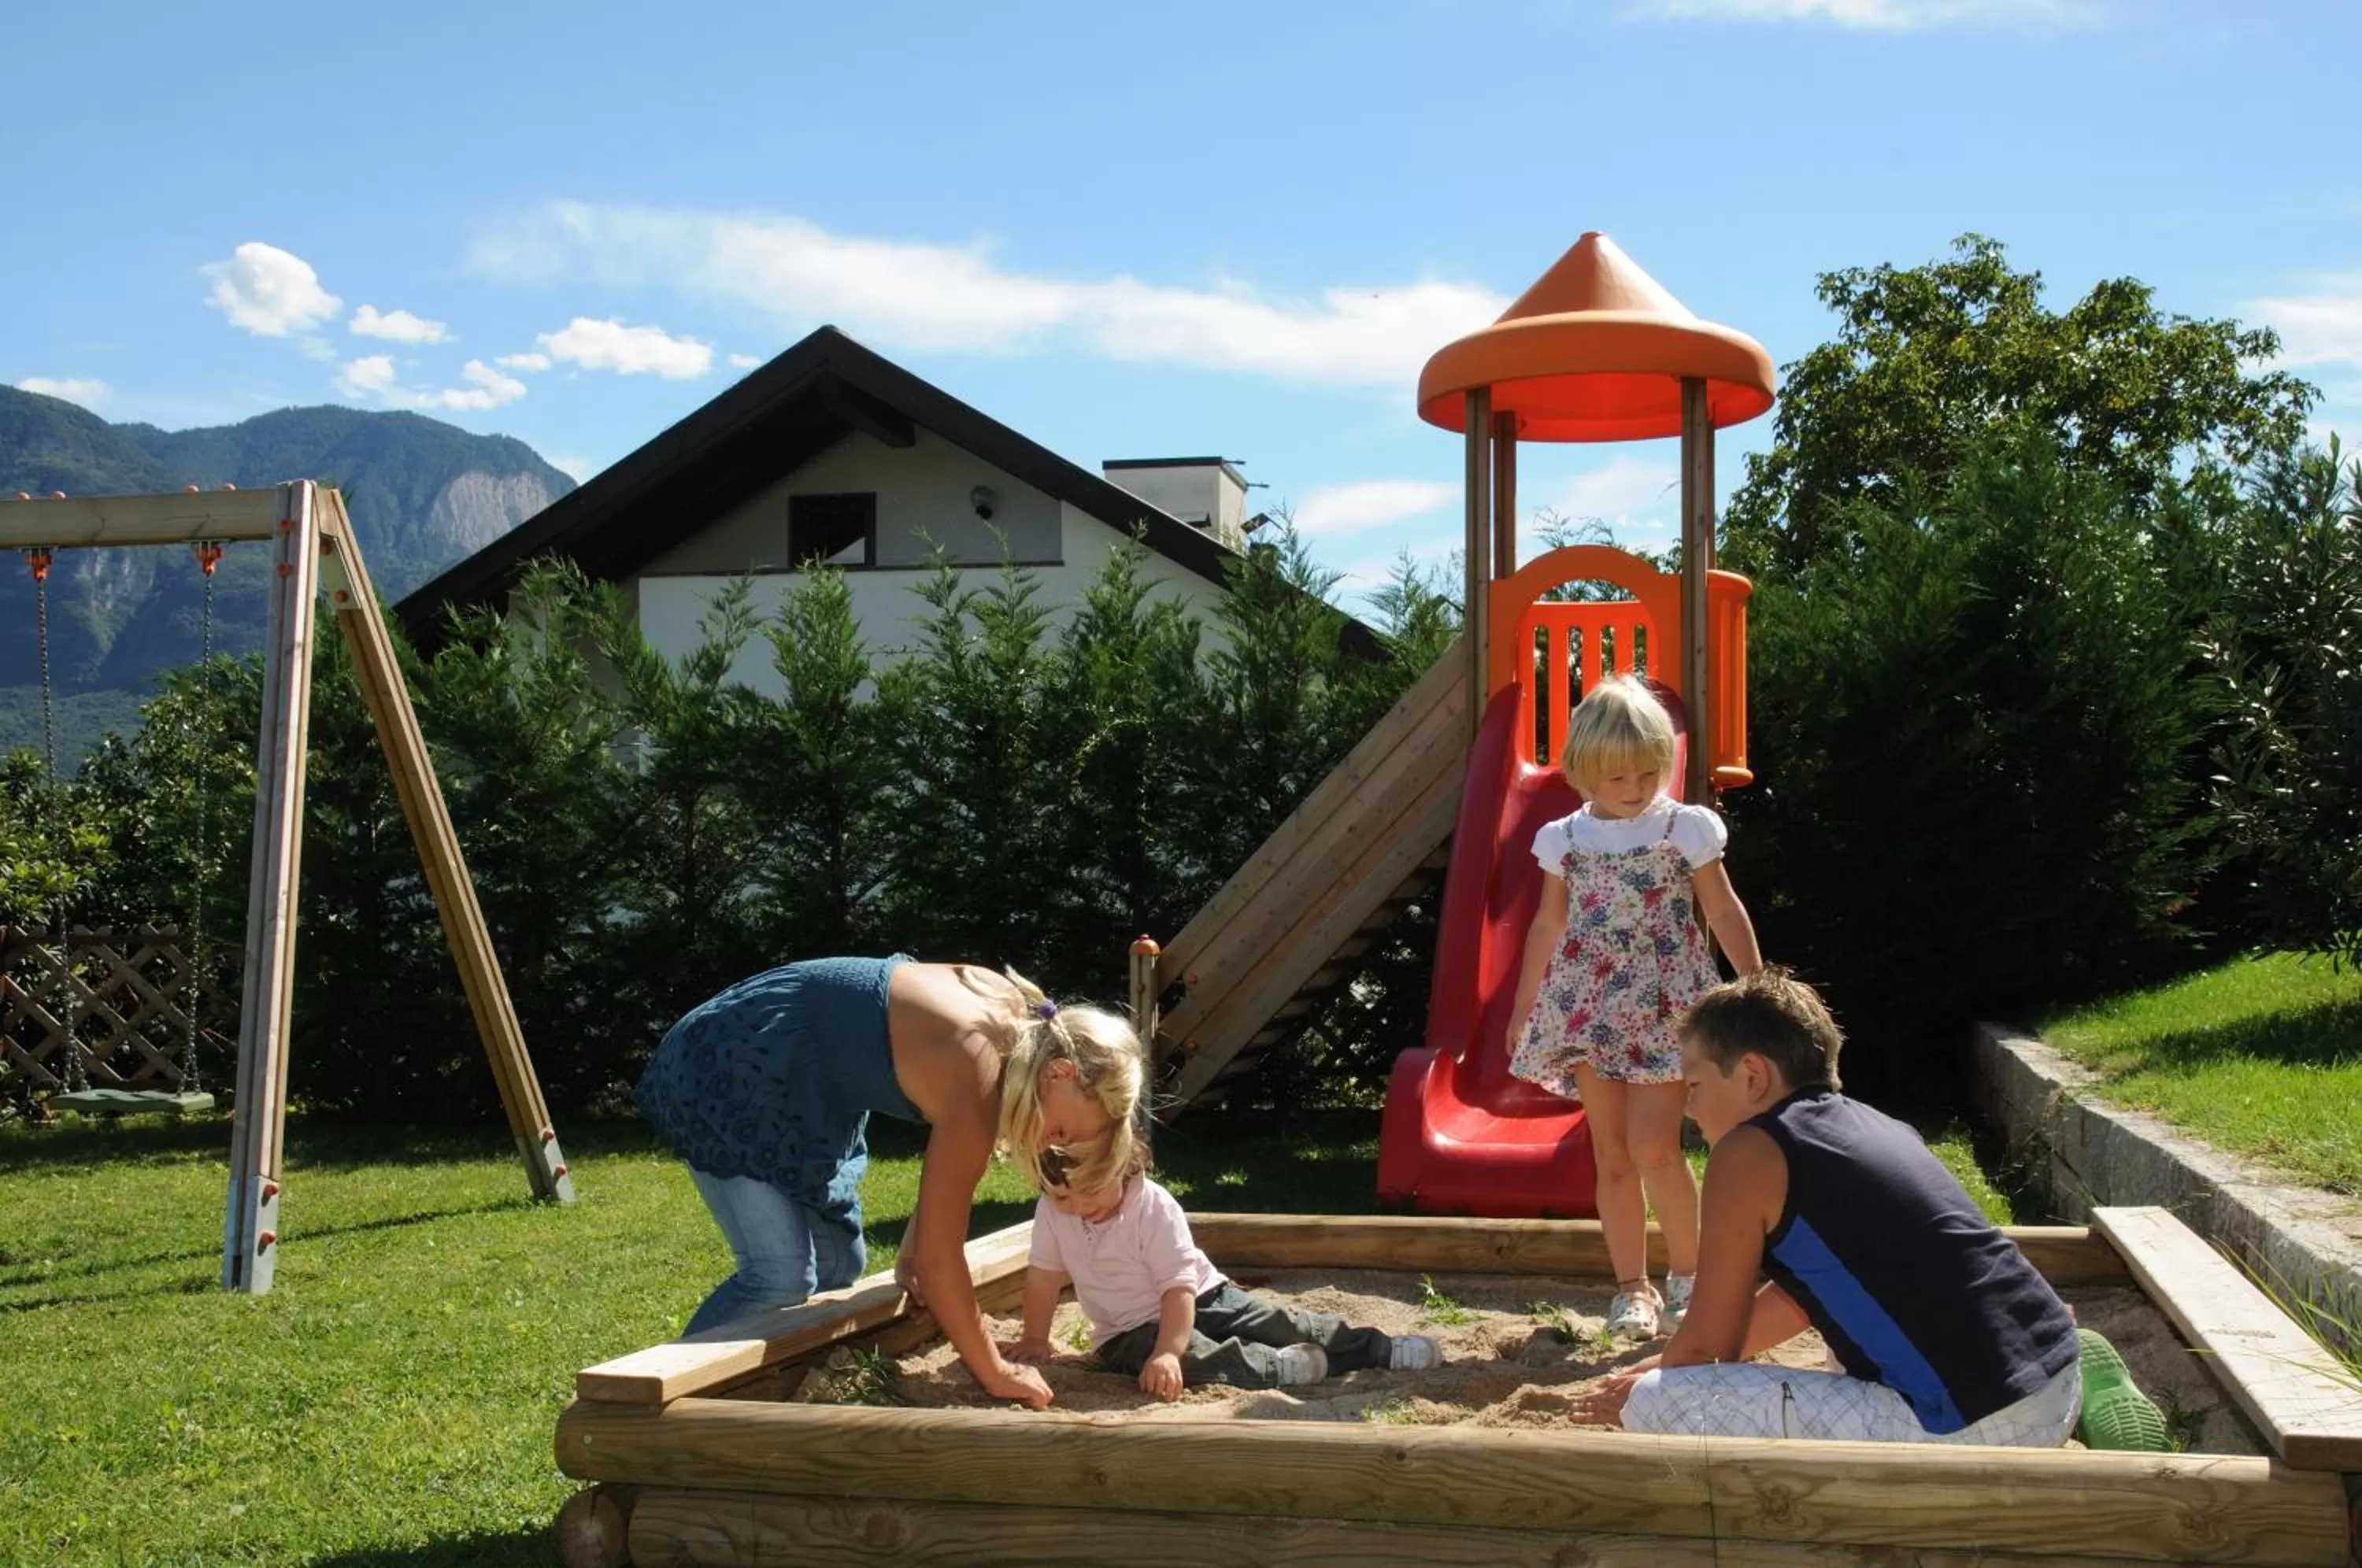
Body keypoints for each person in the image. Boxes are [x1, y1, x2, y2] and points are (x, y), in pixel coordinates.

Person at [1575, 969, 2082, 1445]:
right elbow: (1798, 1299)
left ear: (1752, 1076)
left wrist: (1653, 1384)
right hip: (2055, 1376)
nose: (1689, 1107)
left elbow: (1711, 1345)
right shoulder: (1872, 1123)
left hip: (1979, 1422)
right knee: (1843, 1350)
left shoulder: (1748, 1151)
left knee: (1656, 1404)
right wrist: (1670, 1360)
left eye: (1695, 1086)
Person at [634, 956, 1145, 1411]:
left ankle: (763, 1388)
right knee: (779, 1274)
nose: (1047, 1143)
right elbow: (940, 1260)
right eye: (1059, 1131)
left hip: (805, 1085)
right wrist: (996, 1370)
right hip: (737, 1060)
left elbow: (947, 1176)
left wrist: (913, 1248)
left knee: (839, 1263)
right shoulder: (981, 1072)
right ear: (1057, 1073)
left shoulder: (1014, 1023)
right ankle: (645, 1407)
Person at [1503, 675, 1760, 1339]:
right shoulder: (1564, 839)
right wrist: (1526, 1008)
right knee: (1612, 1154)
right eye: (1619, 775)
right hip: (1590, 1006)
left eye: (1650, 770)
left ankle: (1690, 1279)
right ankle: (1631, 1290)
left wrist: (1756, 984)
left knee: (1656, 1148)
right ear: (1586, 770)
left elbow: (1720, 908)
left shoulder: (1684, 828)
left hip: (1667, 1003)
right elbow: (1546, 926)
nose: (1637, 786)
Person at [1006, 1152, 1442, 1398]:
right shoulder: (1052, 1213)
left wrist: (1168, 1351)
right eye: (1062, 1196)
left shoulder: (1152, 1207)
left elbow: (1178, 1288)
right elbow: (1043, 1277)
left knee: (1278, 1322)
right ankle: (1275, 1368)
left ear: (1121, 1161)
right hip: (1125, 1330)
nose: (1078, 1207)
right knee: (1196, 1359)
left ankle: (1377, 1348)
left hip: (1202, 1296)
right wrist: (1034, 1338)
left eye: (1090, 1190)